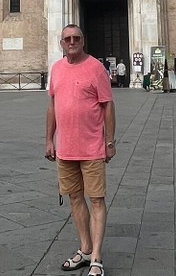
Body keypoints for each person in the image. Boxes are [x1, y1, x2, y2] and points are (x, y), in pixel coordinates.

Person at [46, 24, 115, 276]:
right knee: (75, 198)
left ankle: (96, 257)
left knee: (96, 199)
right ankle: (85, 249)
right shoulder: (56, 68)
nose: (71, 42)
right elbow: (52, 105)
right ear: (61, 43)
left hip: (92, 147)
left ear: (83, 41)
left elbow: (108, 106)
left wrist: (110, 141)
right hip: (65, 148)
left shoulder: (96, 68)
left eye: (76, 38)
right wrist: (49, 139)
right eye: (67, 39)